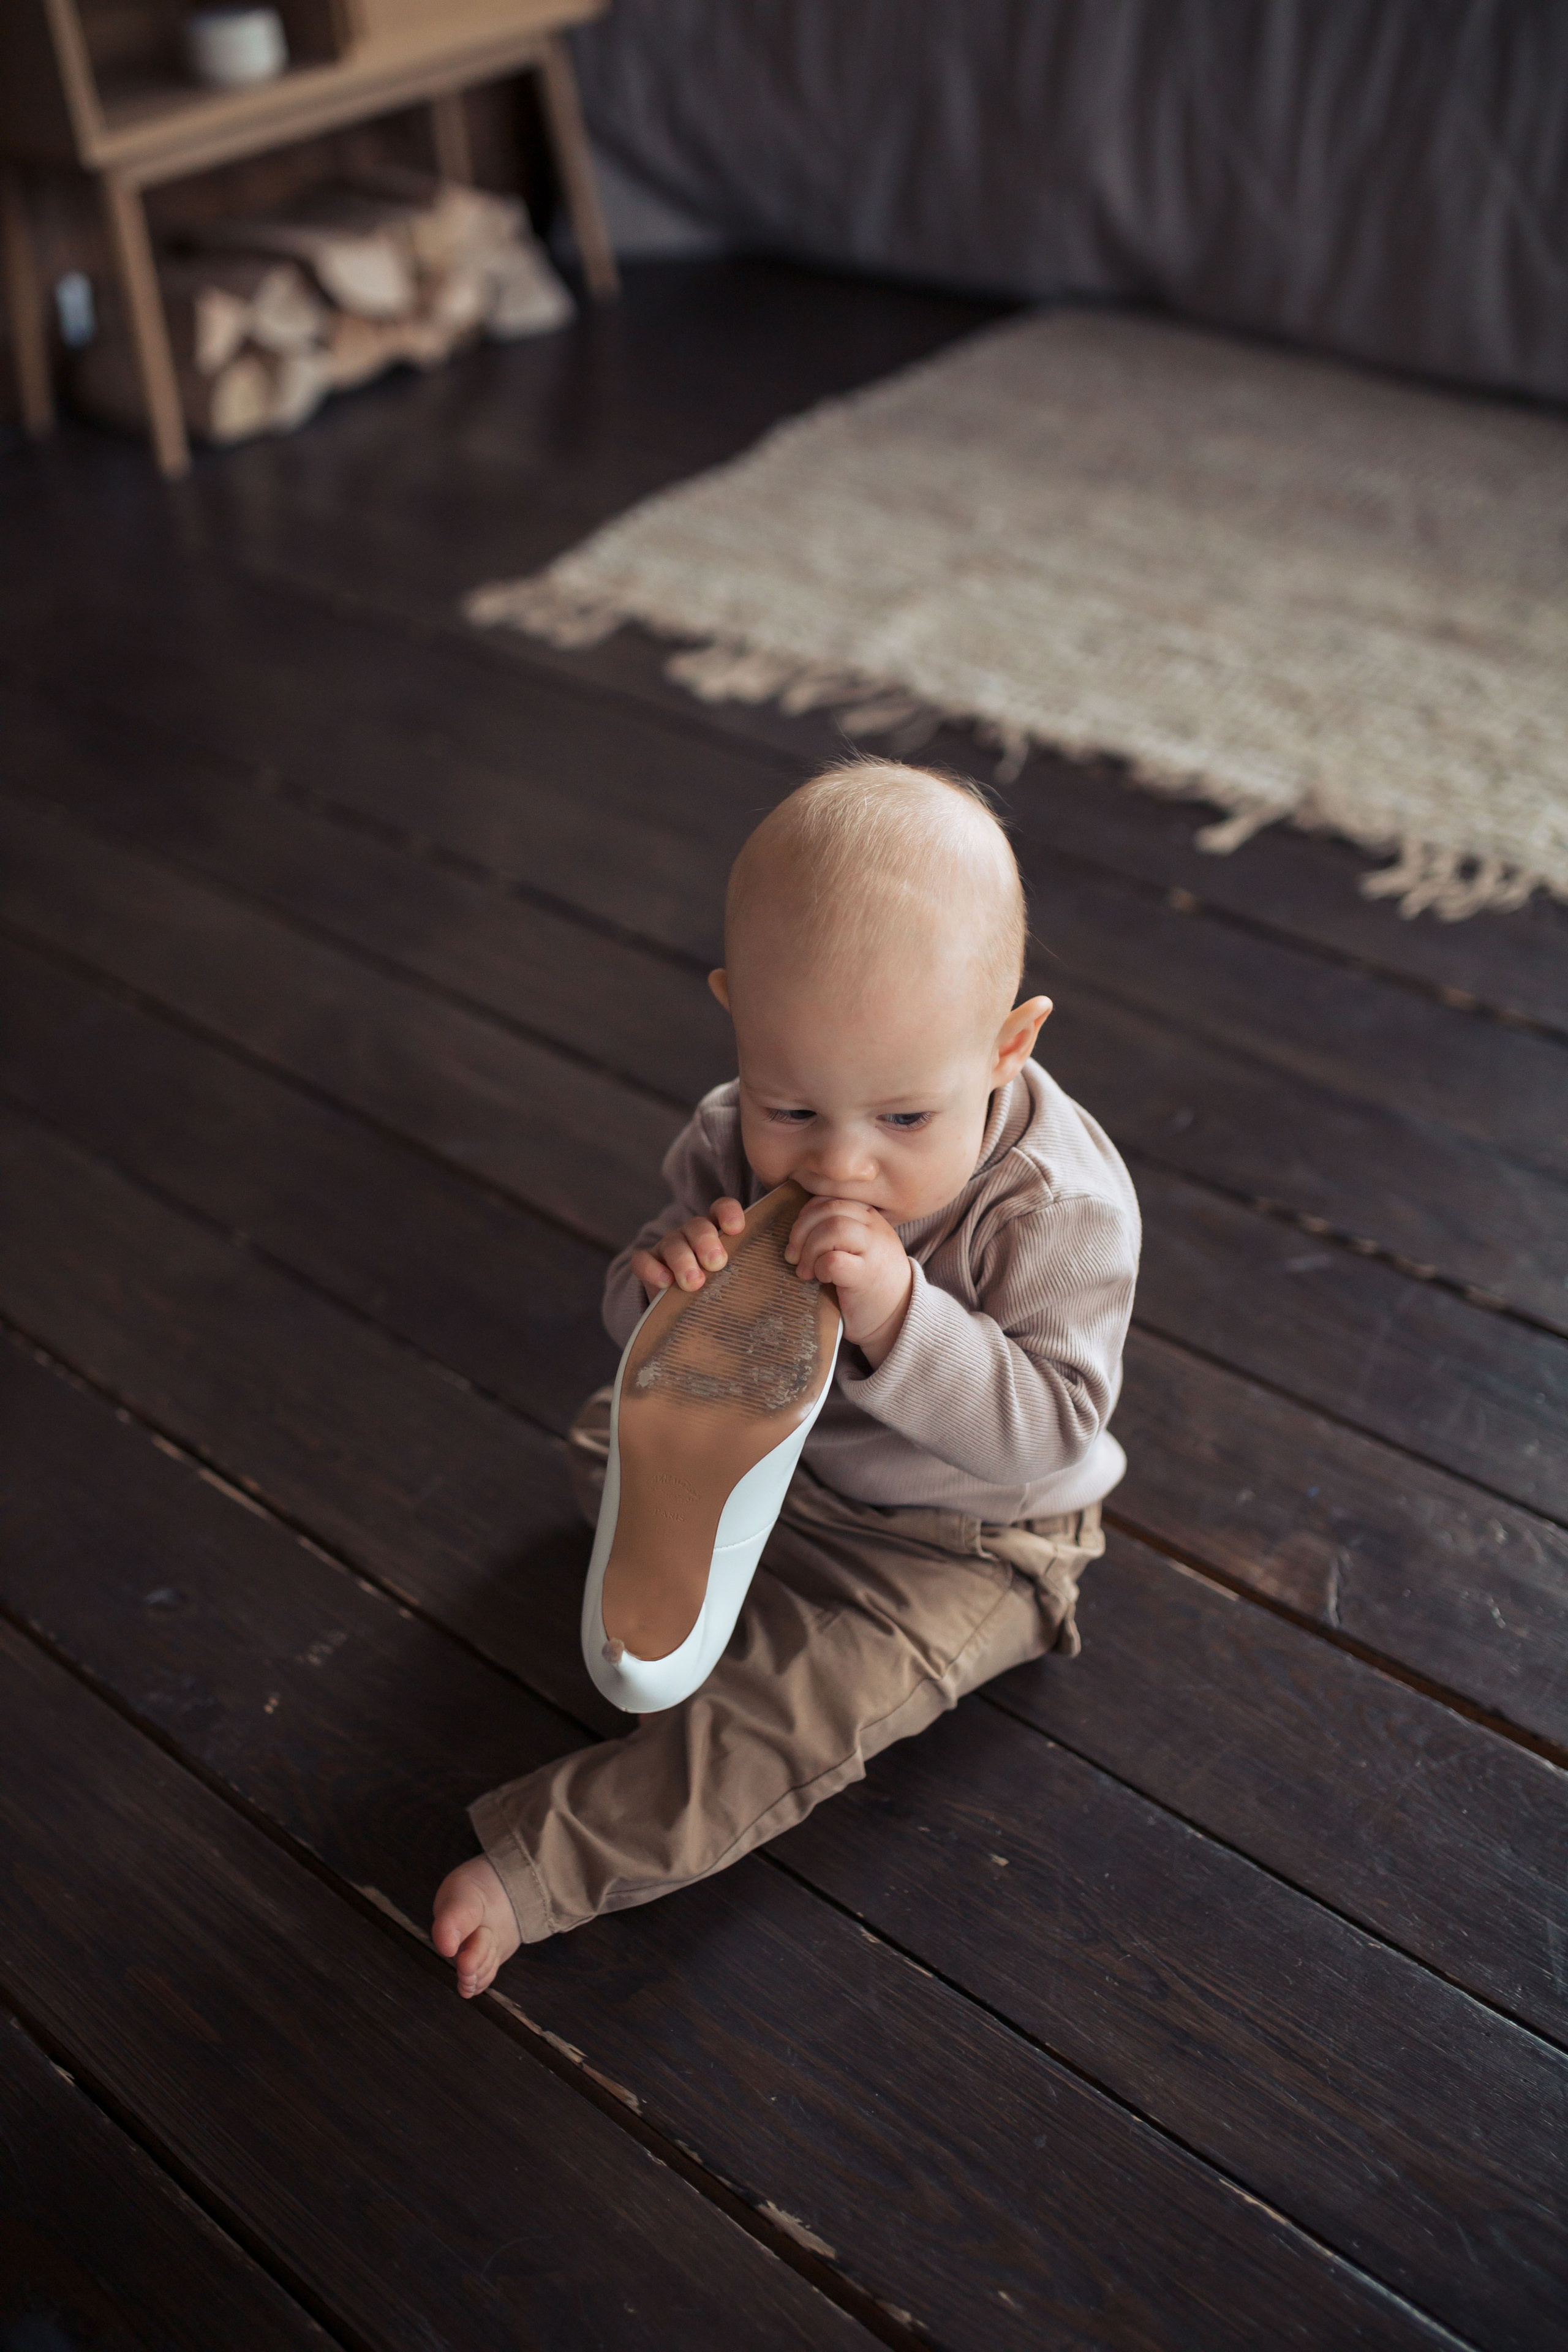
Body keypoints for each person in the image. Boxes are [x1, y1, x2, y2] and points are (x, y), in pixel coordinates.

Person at [433, 756, 1140, 1994]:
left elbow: (1053, 1429)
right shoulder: (727, 1132)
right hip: (785, 1471)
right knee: (602, 1440)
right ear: (737, 1022)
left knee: (778, 1724)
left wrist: (898, 1313)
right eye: (794, 1108)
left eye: (904, 1122)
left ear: (1006, 1046)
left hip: (962, 1542)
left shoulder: (1056, 1208)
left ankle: (551, 1862)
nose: (842, 1163)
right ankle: (737, 1600)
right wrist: (657, 1280)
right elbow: (648, 1322)